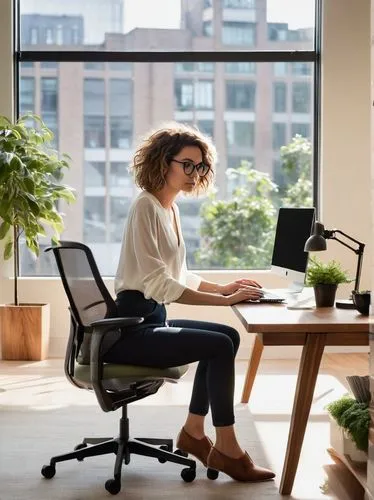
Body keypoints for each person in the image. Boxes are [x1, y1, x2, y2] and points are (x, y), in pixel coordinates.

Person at [104, 123, 275, 482]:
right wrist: (221, 300)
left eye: (200, 166)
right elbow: (157, 283)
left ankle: (194, 432)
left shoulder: (170, 209)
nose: (195, 173)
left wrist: (224, 288)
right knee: (216, 344)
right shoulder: (145, 208)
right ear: (163, 162)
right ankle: (227, 447)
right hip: (130, 329)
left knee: (227, 338)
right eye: (188, 164)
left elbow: (178, 274)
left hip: (152, 318)